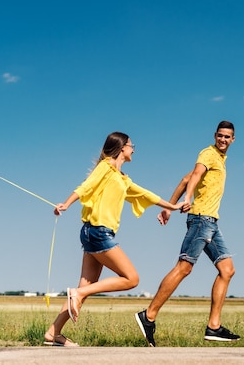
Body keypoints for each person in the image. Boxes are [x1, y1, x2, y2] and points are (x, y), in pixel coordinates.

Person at [44, 131, 187, 347]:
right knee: (131, 279)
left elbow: (145, 194)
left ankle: (53, 332)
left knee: (86, 286)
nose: (133, 149)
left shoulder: (122, 178)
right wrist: (66, 203)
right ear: (122, 147)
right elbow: (86, 186)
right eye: (131, 145)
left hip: (92, 233)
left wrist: (173, 206)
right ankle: (78, 293)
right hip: (99, 233)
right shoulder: (106, 167)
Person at [135, 121, 240, 347]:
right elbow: (193, 177)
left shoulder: (220, 159)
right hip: (201, 219)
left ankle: (214, 327)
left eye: (227, 137)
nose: (223, 140)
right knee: (184, 267)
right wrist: (187, 199)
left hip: (211, 221)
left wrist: (169, 207)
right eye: (220, 136)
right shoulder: (208, 154)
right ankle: (149, 315)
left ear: (233, 140)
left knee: (227, 269)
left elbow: (185, 178)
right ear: (215, 136)